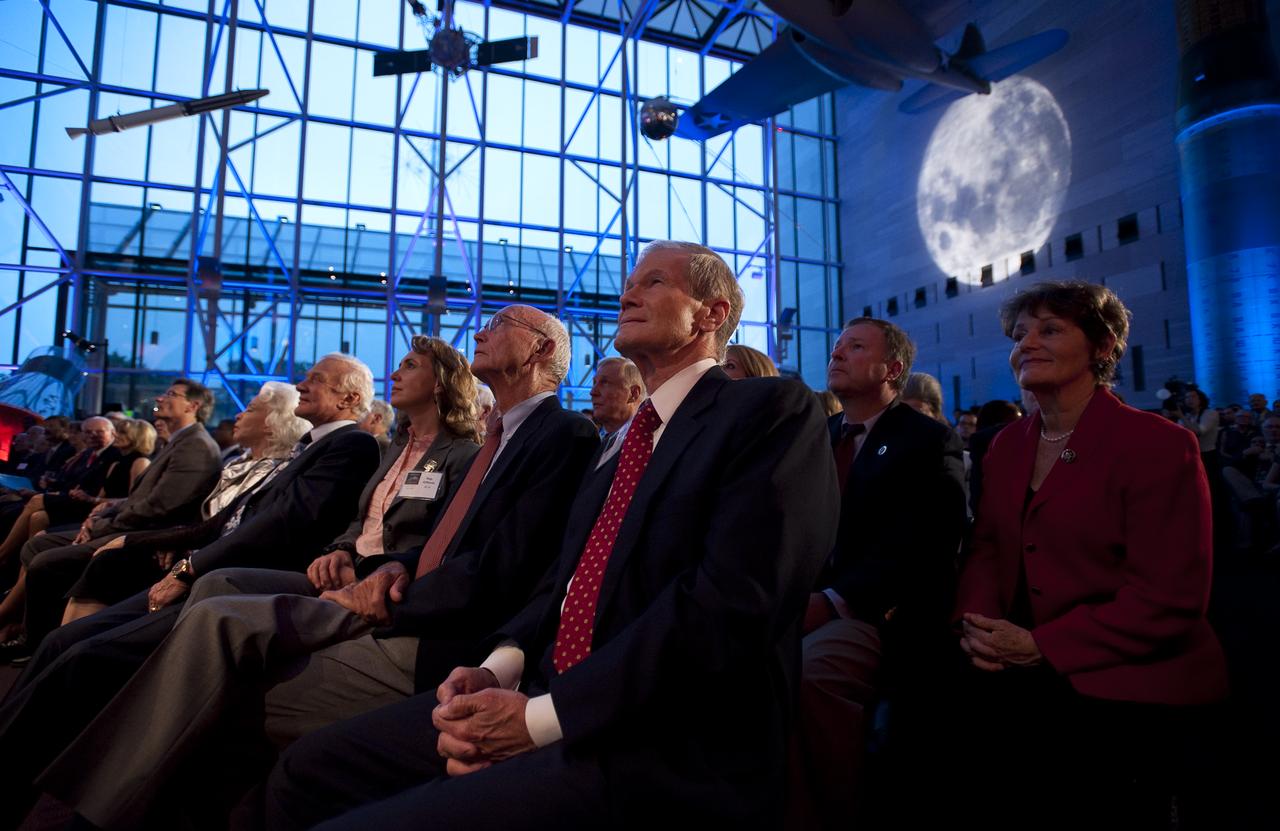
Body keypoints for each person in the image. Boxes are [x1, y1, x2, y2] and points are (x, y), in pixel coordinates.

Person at [243, 241, 838, 831]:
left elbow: (733, 604)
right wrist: (500, 666)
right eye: (630, 282)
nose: (628, 292)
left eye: (654, 282)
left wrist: (541, 720)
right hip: (539, 689)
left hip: (661, 735)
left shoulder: (768, 409)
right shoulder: (621, 445)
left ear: (711, 314)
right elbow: (563, 578)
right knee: (307, 769)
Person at [34, 325, 597, 829]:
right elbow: (442, 539)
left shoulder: (557, 433)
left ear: (540, 349)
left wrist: (388, 594)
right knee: (211, 616)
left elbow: (505, 564)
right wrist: (384, 565)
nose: (482, 331)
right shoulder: (492, 436)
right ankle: (98, 794)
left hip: (435, 628)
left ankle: (93, 809)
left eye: (502, 325)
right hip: (396, 588)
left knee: (214, 635)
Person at [0, 357, 383, 828]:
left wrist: (189, 566)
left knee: (82, 659)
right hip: (212, 568)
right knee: (63, 643)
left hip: (239, 582)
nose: (302, 384)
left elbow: (284, 525)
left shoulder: (353, 444)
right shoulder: (313, 446)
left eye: (315, 380)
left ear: (348, 398)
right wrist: (175, 553)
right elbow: (230, 520)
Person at [954, 281, 1228, 828]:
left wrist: (1042, 645)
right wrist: (979, 623)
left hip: (1129, 681)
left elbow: (1170, 597)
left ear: (1103, 348)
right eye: (1019, 333)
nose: (1026, 343)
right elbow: (986, 545)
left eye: (1050, 329)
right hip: (1018, 668)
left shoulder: (1157, 444)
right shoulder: (1006, 444)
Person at [789, 318, 965, 829]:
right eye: (837, 346)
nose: (836, 354)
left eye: (856, 347)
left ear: (893, 369)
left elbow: (926, 545)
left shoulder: (927, 439)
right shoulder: (820, 436)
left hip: (879, 613)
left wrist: (832, 602)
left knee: (808, 676)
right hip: (808, 601)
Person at [0, 380, 223, 660]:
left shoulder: (196, 446)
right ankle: (24, 629)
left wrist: (103, 525)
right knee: (36, 545)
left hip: (149, 536)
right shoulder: (180, 441)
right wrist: (102, 513)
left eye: (171, 394)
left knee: (47, 558)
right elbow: (138, 499)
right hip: (134, 525)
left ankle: (34, 643)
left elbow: (159, 508)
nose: (161, 396)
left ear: (193, 406)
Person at [59, 383, 310, 623]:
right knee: (94, 560)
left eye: (250, 409)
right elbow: (205, 516)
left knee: (98, 560)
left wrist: (175, 544)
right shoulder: (238, 462)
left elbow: (229, 528)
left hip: (209, 563)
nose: (238, 414)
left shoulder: (277, 471)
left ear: (272, 424)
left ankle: (63, 648)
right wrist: (176, 538)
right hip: (186, 546)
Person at [589, 356, 645, 462]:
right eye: (594, 383)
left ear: (633, 393)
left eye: (605, 382)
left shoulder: (645, 445)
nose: (593, 392)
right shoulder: (597, 444)